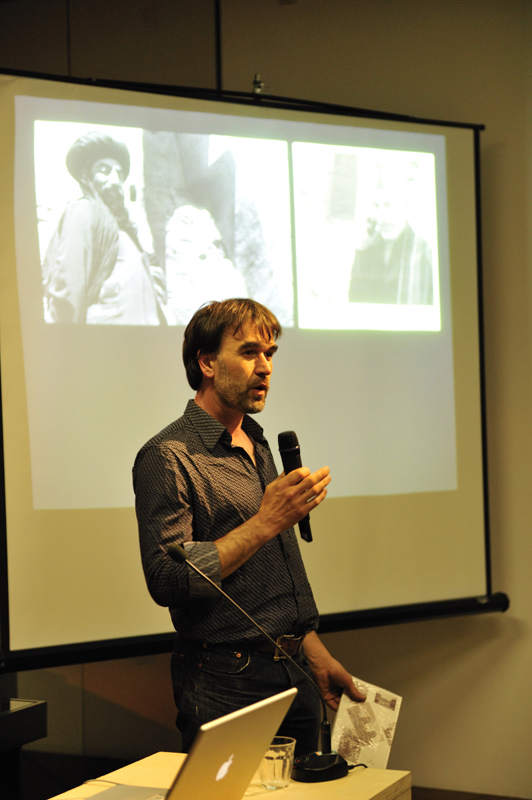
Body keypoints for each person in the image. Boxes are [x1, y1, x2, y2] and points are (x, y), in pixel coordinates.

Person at [133, 298, 365, 756]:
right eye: (249, 353)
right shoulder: (168, 455)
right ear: (207, 363)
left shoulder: (256, 441)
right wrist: (265, 522)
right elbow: (167, 578)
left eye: (270, 354)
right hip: (226, 679)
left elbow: (271, 574)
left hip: (295, 670)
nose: (265, 367)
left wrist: (313, 652)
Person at [42, 131, 166, 325]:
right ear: (87, 177)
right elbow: (67, 293)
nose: (115, 180)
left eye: (119, 174)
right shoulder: (83, 211)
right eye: (104, 170)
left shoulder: (127, 233)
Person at [348, 184, 433, 305]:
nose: (380, 215)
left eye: (388, 205)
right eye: (376, 206)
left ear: (405, 207)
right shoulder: (365, 249)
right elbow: (355, 300)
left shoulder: (424, 251)